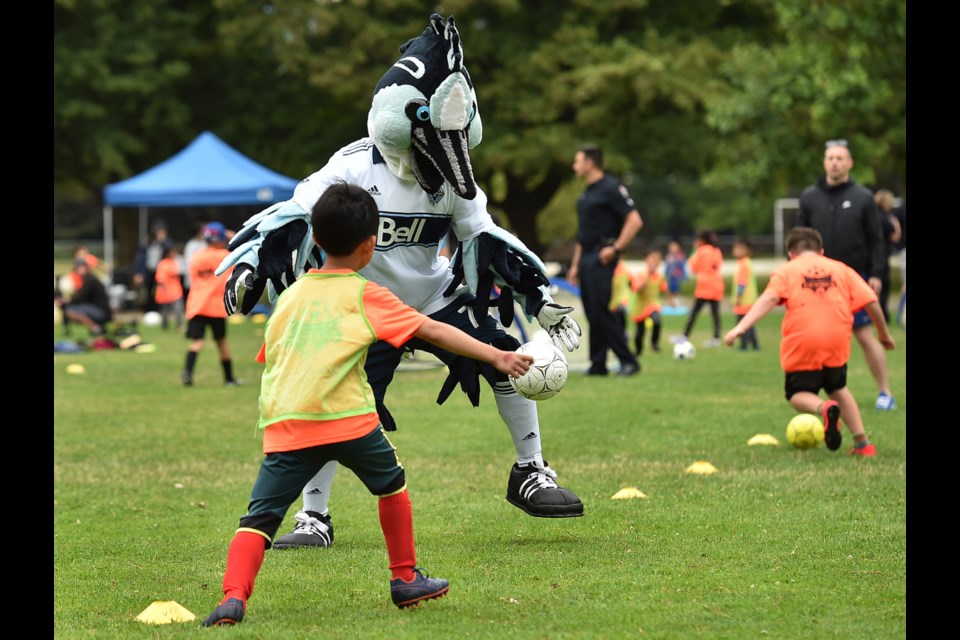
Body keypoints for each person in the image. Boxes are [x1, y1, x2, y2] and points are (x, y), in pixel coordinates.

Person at [216, 14, 585, 549]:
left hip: (432, 298)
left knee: (504, 352)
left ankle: (531, 471)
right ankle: (314, 518)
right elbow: (293, 216)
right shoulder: (352, 165)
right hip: (362, 307)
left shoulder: (455, 177)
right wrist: (254, 262)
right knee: (331, 399)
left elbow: (484, 237)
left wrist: (539, 295)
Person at [201, 183, 535, 626]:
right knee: (391, 487)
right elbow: (433, 331)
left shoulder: (289, 298)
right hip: (350, 423)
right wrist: (496, 355)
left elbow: (273, 355)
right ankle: (405, 578)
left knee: (259, 518)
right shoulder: (368, 295)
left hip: (287, 425)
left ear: (314, 241)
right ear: (370, 245)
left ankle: (232, 599)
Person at [723, 227, 894, 457]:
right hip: (837, 340)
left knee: (796, 394)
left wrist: (741, 327)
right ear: (821, 251)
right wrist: (883, 335)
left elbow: (770, 297)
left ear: (790, 253)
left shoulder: (787, 270)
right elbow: (872, 301)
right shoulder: (841, 269)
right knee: (838, 387)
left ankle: (824, 408)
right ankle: (863, 444)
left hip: (803, 340)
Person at [796, 139, 896, 411]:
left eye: (840, 158)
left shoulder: (864, 197)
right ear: (824, 162)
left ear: (850, 163)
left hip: (853, 279)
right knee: (815, 336)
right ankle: (815, 395)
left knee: (864, 334)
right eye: (830, 158)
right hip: (816, 280)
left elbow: (876, 239)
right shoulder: (809, 197)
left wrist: (876, 274)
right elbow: (799, 240)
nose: (835, 162)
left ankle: (885, 393)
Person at [566, 144, 643, 377]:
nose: (574, 166)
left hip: (603, 255)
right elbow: (583, 235)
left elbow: (634, 220)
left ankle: (628, 361)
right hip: (587, 256)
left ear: (590, 163)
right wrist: (575, 265)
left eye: (577, 161)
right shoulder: (587, 193)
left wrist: (616, 248)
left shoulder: (611, 187)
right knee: (591, 310)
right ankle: (598, 364)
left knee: (602, 309)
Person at [182, 222, 241, 387]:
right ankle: (229, 379)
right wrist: (233, 236)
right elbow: (242, 251)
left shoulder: (196, 256)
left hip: (197, 304)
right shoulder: (224, 256)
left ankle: (187, 373)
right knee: (221, 342)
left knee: (197, 342)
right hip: (215, 307)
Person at [679, 230, 724, 347]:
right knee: (715, 314)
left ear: (702, 240)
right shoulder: (717, 250)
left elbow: (691, 266)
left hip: (705, 287)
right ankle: (716, 337)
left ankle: (685, 336)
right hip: (717, 286)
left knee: (694, 313)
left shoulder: (702, 250)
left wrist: (694, 250)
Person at [56, 259, 113, 336]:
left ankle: (96, 329)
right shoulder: (88, 279)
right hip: (100, 310)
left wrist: (65, 301)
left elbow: (80, 298)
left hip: (102, 312)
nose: (80, 270)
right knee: (72, 308)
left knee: (70, 310)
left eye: (83, 267)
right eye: (78, 267)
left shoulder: (90, 280)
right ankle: (97, 328)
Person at [629, 249, 667, 356]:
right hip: (640, 307)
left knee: (657, 321)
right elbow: (636, 289)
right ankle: (638, 350)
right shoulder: (641, 275)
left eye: (658, 259)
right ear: (646, 260)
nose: (655, 262)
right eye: (653, 259)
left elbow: (664, 288)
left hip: (653, 304)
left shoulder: (659, 276)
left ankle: (655, 343)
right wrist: (647, 278)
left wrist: (672, 300)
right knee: (640, 332)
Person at [873, 189, 902, 323]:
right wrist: (895, 224)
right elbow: (895, 235)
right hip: (881, 255)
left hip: (875, 255)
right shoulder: (884, 217)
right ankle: (882, 314)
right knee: (884, 285)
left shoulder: (872, 215)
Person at [132, 221, 173, 313]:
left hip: (161, 272)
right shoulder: (146, 243)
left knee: (160, 291)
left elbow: (170, 251)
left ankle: (160, 311)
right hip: (148, 271)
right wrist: (138, 273)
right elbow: (140, 259)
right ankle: (148, 310)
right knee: (148, 292)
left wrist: (163, 241)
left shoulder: (165, 243)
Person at [730, 238, 760, 351]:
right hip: (749, 300)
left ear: (748, 250)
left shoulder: (744, 264)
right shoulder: (746, 263)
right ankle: (755, 344)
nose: (736, 250)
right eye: (735, 248)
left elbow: (742, 283)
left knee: (742, 324)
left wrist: (738, 297)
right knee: (749, 324)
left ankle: (744, 345)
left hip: (744, 301)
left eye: (740, 248)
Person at [154, 246, 185, 331]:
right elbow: (160, 279)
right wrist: (165, 291)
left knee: (178, 309)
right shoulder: (163, 264)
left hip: (176, 290)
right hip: (166, 291)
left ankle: (179, 325)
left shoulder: (175, 262)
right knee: (165, 311)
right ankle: (164, 326)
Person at [181, 221, 209, 301]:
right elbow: (188, 262)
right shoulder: (191, 245)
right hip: (194, 277)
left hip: (206, 277)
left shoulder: (206, 244)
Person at [664, 239, 688, 307]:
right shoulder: (669, 256)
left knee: (676, 289)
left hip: (677, 276)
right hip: (670, 276)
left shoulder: (680, 256)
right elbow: (667, 266)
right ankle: (670, 302)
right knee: (669, 289)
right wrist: (666, 273)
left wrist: (684, 275)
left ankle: (676, 301)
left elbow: (683, 266)